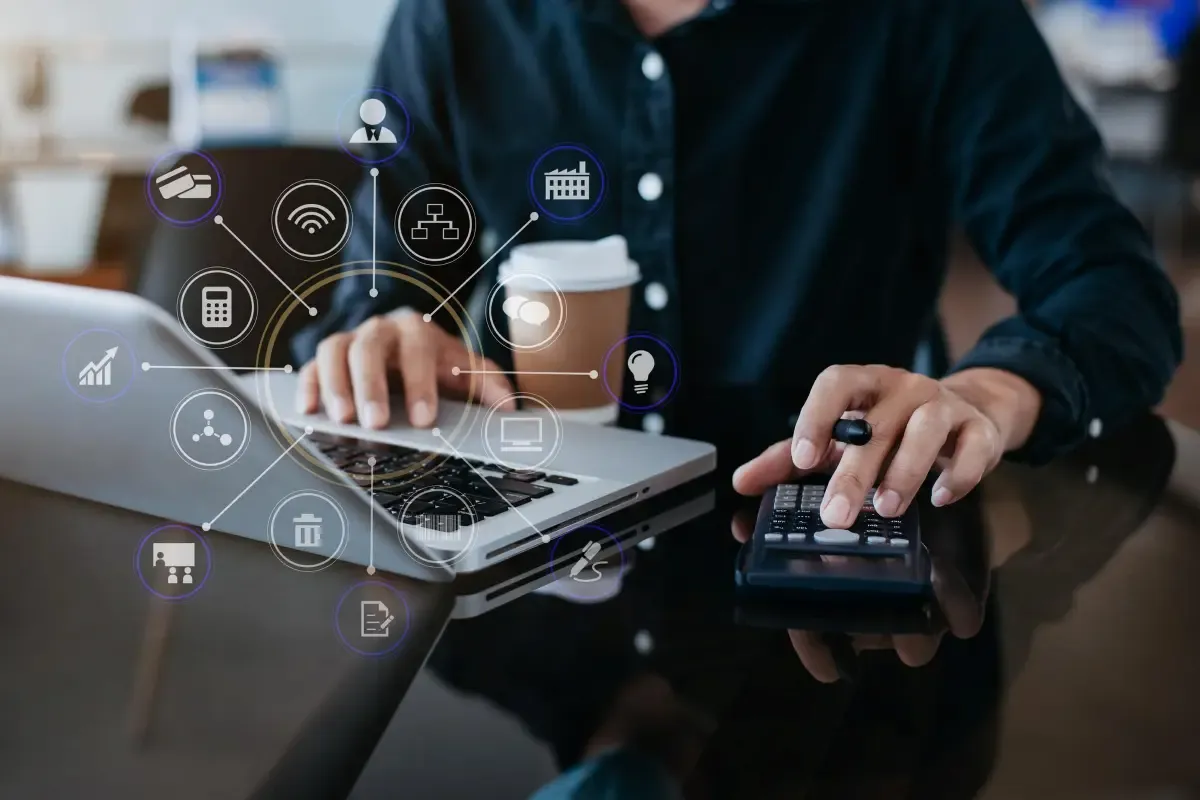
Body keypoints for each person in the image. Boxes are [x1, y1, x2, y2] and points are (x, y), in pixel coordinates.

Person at [294, 0, 1182, 530]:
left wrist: (986, 394)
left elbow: (1113, 286)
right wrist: (376, 338)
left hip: (833, 557)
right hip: (531, 560)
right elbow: (377, 291)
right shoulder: (452, 17)